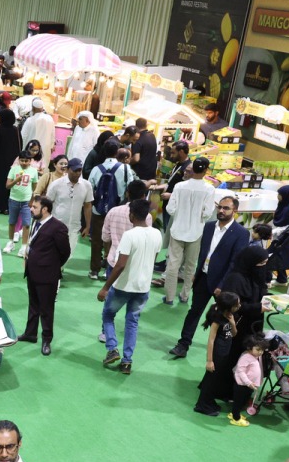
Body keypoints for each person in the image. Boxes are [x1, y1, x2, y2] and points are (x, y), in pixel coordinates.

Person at [168, 196, 249, 359]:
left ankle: (224, 351)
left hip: (223, 283)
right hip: (203, 278)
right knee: (194, 311)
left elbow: (235, 262)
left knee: (225, 317)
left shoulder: (241, 233)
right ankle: (183, 345)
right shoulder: (209, 227)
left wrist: (222, 285)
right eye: (220, 207)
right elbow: (202, 253)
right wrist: (196, 273)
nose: (221, 210)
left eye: (226, 208)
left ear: (235, 211)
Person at [98, 199, 161, 374]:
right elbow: (153, 259)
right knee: (132, 322)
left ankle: (112, 348)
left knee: (108, 315)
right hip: (143, 288)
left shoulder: (129, 235)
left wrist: (105, 287)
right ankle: (127, 361)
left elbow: (120, 265)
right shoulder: (157, 234)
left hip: (123, 286)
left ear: (131, 215)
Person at [18, 195, 71, 354]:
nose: (31, 209)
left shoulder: (58, 227)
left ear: (45, 209)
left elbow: (65, 252)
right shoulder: (36, 222)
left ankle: (46, 340)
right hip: (32, 272)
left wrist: (52, 266)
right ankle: (30, 333)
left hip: (48, 275)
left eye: (35, 207)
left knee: (46, 309)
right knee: (33, 305)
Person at [163, 156, 217, 305]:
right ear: (206, 170)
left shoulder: (179, 186)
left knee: (172, 265)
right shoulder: (209, 189)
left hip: (177, 230)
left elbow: (170, 208)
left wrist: (180, 215)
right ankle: (185, 295)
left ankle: (169, 297)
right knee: (190, 265)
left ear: (192, 169)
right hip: (196, 232)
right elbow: (207, 213)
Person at [87, 140, 136, 279]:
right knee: (116, 239)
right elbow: (130, 186)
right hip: (118, 210)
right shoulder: (125, 168)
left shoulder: (96, 169)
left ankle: (94, 270)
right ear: (117, 152)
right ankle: (109, 269)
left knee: (97, 240)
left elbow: (90, 189)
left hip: (98, 210)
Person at [193, 291, 243, 417]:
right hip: (217, 354)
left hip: (225, 352)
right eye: (237, 305)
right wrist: (210, 360)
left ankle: (208, 401)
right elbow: (211, 340)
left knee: (214, 379)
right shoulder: (217, 319)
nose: (239, 306)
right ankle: (201, 405)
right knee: (210, 380)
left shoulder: (231, 316)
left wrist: (232, 323)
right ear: (228, 306)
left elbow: (234, 334)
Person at [45, 158, 94, 256]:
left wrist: (88, 226)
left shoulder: (87, 185)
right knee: (53, 252)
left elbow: (87, 206)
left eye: (79, 170)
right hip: (56, 225)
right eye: (75, 170)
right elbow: (47, 204)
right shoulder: (56, 184)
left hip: (74, 227)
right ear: (67, 170)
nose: (77, 173)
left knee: (68, 254)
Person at [5, 150, 39, 252]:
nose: (24, 163)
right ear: (19, 160)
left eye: (26, 161)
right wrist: (16, 180)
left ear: (30, 161)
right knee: (12, 222)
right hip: (13, 200)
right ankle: (10, 242)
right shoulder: (14, 169)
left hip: (26, 202)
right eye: (22, 160)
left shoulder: (34, 171)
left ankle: (24, 246)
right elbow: (7, 186)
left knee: (26, 224)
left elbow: (35, 189)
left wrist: (32, 201)